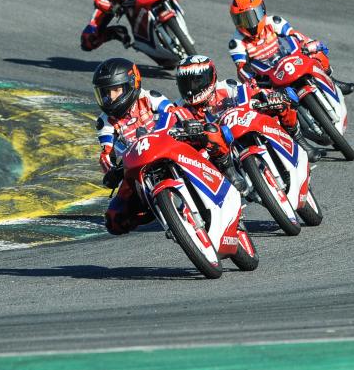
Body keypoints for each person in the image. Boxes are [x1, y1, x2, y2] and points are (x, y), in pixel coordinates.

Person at [93, 57, 243, 236]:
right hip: (138, 163)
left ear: (131, 84)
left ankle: (228, 169)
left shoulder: (148, 97)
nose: (110, 98)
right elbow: (106, 152)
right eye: (105, 93)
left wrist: (188, 123)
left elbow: (173, 111)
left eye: (115, 90)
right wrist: (111, 170)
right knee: (113, 220)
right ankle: (161, 212)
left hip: (169, 143)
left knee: (211, 133)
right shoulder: (104, 121)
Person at [174, 55, 323, 163]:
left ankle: (299, 140)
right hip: (218, 149)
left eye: (196, 82)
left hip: (246, 123)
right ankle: (230, 174)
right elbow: (170, 128)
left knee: (285, 99)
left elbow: (250, 91)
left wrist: (268, 96)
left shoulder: (227, 86)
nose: (190, 89)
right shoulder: (179, 107)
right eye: (185, 84)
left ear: (211, 77)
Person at [227, 0, 354, 95]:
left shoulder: (274, 22)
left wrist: (310, 44)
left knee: (317, 53)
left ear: (263, 10)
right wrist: (251, 80)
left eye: (253, 16)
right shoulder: (236, 42)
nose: (250, 24)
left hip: (288, 59)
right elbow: (242, 68)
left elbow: (295, 35)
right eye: (243, 20)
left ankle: (332, 82)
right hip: (267, 76)